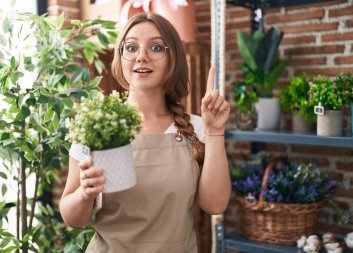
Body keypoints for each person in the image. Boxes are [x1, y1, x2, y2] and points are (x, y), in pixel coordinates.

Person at [59, 13, 231, 253]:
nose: (141, 56)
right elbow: (72, 218)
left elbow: (215, 204)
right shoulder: (95, 127)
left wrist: (215, 133)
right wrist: (85, 194)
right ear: (120, 57)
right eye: (131, 47)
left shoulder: (198, 128)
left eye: (156, 47)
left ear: (173, 59)